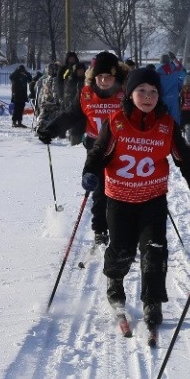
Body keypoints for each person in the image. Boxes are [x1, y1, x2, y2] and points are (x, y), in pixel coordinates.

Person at [83, 66, 190, 333]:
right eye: (142, 91)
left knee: (154, 250)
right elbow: (98, 154)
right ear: (130, 94)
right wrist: (91, 174)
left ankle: (153, 300)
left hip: (152, 199)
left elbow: (184, 158)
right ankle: (114, 282)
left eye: (153, 92)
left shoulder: (166, 124)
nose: (148, 96)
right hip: (119, 199)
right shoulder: (116, 122)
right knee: (122, 250)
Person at [39, 51, 126, 244]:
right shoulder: (86, 93)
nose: (103, 81)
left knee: (120, 191)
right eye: (100, 77)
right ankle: (100, 230)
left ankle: (121, 229)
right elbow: (71, 115)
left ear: (115, 77)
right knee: (99, 189)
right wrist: (50, 130)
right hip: (96, 147)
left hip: (123, 148)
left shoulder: (125, 94)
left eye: (108, 77)